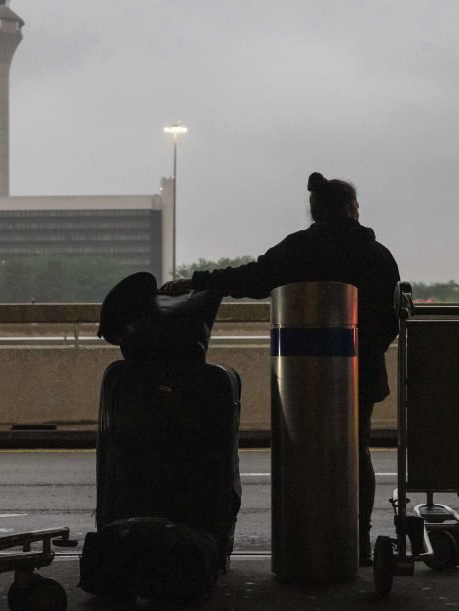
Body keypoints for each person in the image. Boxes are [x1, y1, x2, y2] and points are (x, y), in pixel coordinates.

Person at [163, 172, 400, 563]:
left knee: (302, 451)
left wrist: (196, 281)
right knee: (356, 451)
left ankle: (306, 539)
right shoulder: (377, 256)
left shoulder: (298, 249)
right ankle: (356, 541)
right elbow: (390, 317)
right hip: (361, 369)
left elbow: (251, 278)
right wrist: (366, 349)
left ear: (316, 211)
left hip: (302, 370)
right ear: (350, 209)